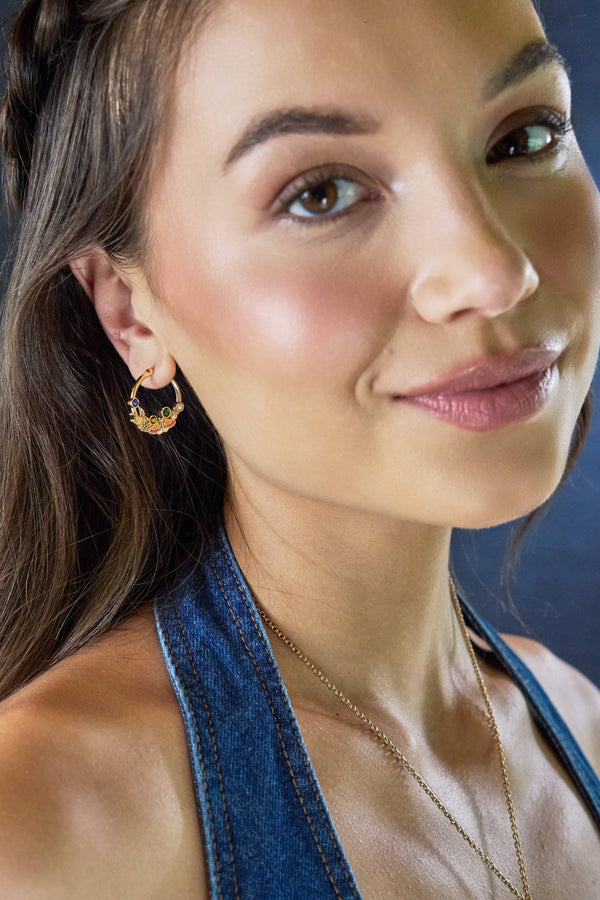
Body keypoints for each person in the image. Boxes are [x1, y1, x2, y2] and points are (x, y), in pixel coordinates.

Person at [0, 0, 598, 896]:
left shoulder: (583, 725)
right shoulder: (48, 831)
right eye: (320, 193)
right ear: (130, 316)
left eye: (523, 138)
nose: (494, 272)